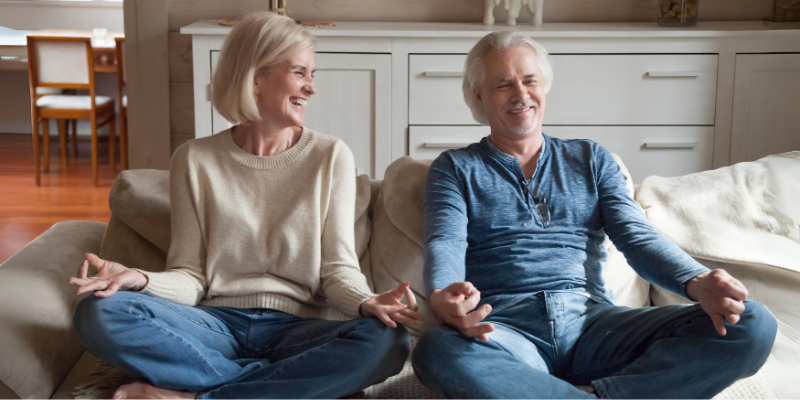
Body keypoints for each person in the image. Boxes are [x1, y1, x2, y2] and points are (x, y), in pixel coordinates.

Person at [69, 12, 422, 399]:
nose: (311, 87)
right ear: (256, 78)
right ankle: (276, 384)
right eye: (300, 73)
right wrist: (139, 278)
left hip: (298, 328)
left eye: (312, 74)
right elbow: (190, 275)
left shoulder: (330, 155)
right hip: (215, 326)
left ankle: (195, 393)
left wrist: (367, 301)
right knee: (98, 313)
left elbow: (337, 270)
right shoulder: (194, 160)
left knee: (386, 340)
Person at [411, 31, 777, 399]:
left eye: (529, 80)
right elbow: (446, 240)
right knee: (437, 350)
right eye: (503, 84)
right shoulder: (455, 168)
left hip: (597, 326)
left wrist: (697, 281)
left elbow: (635, 236)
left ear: (543, 85)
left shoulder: (590, 158)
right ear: (479, 95)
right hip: (507, 331)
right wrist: (441, 294)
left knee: (751, 322)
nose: (521, 94)